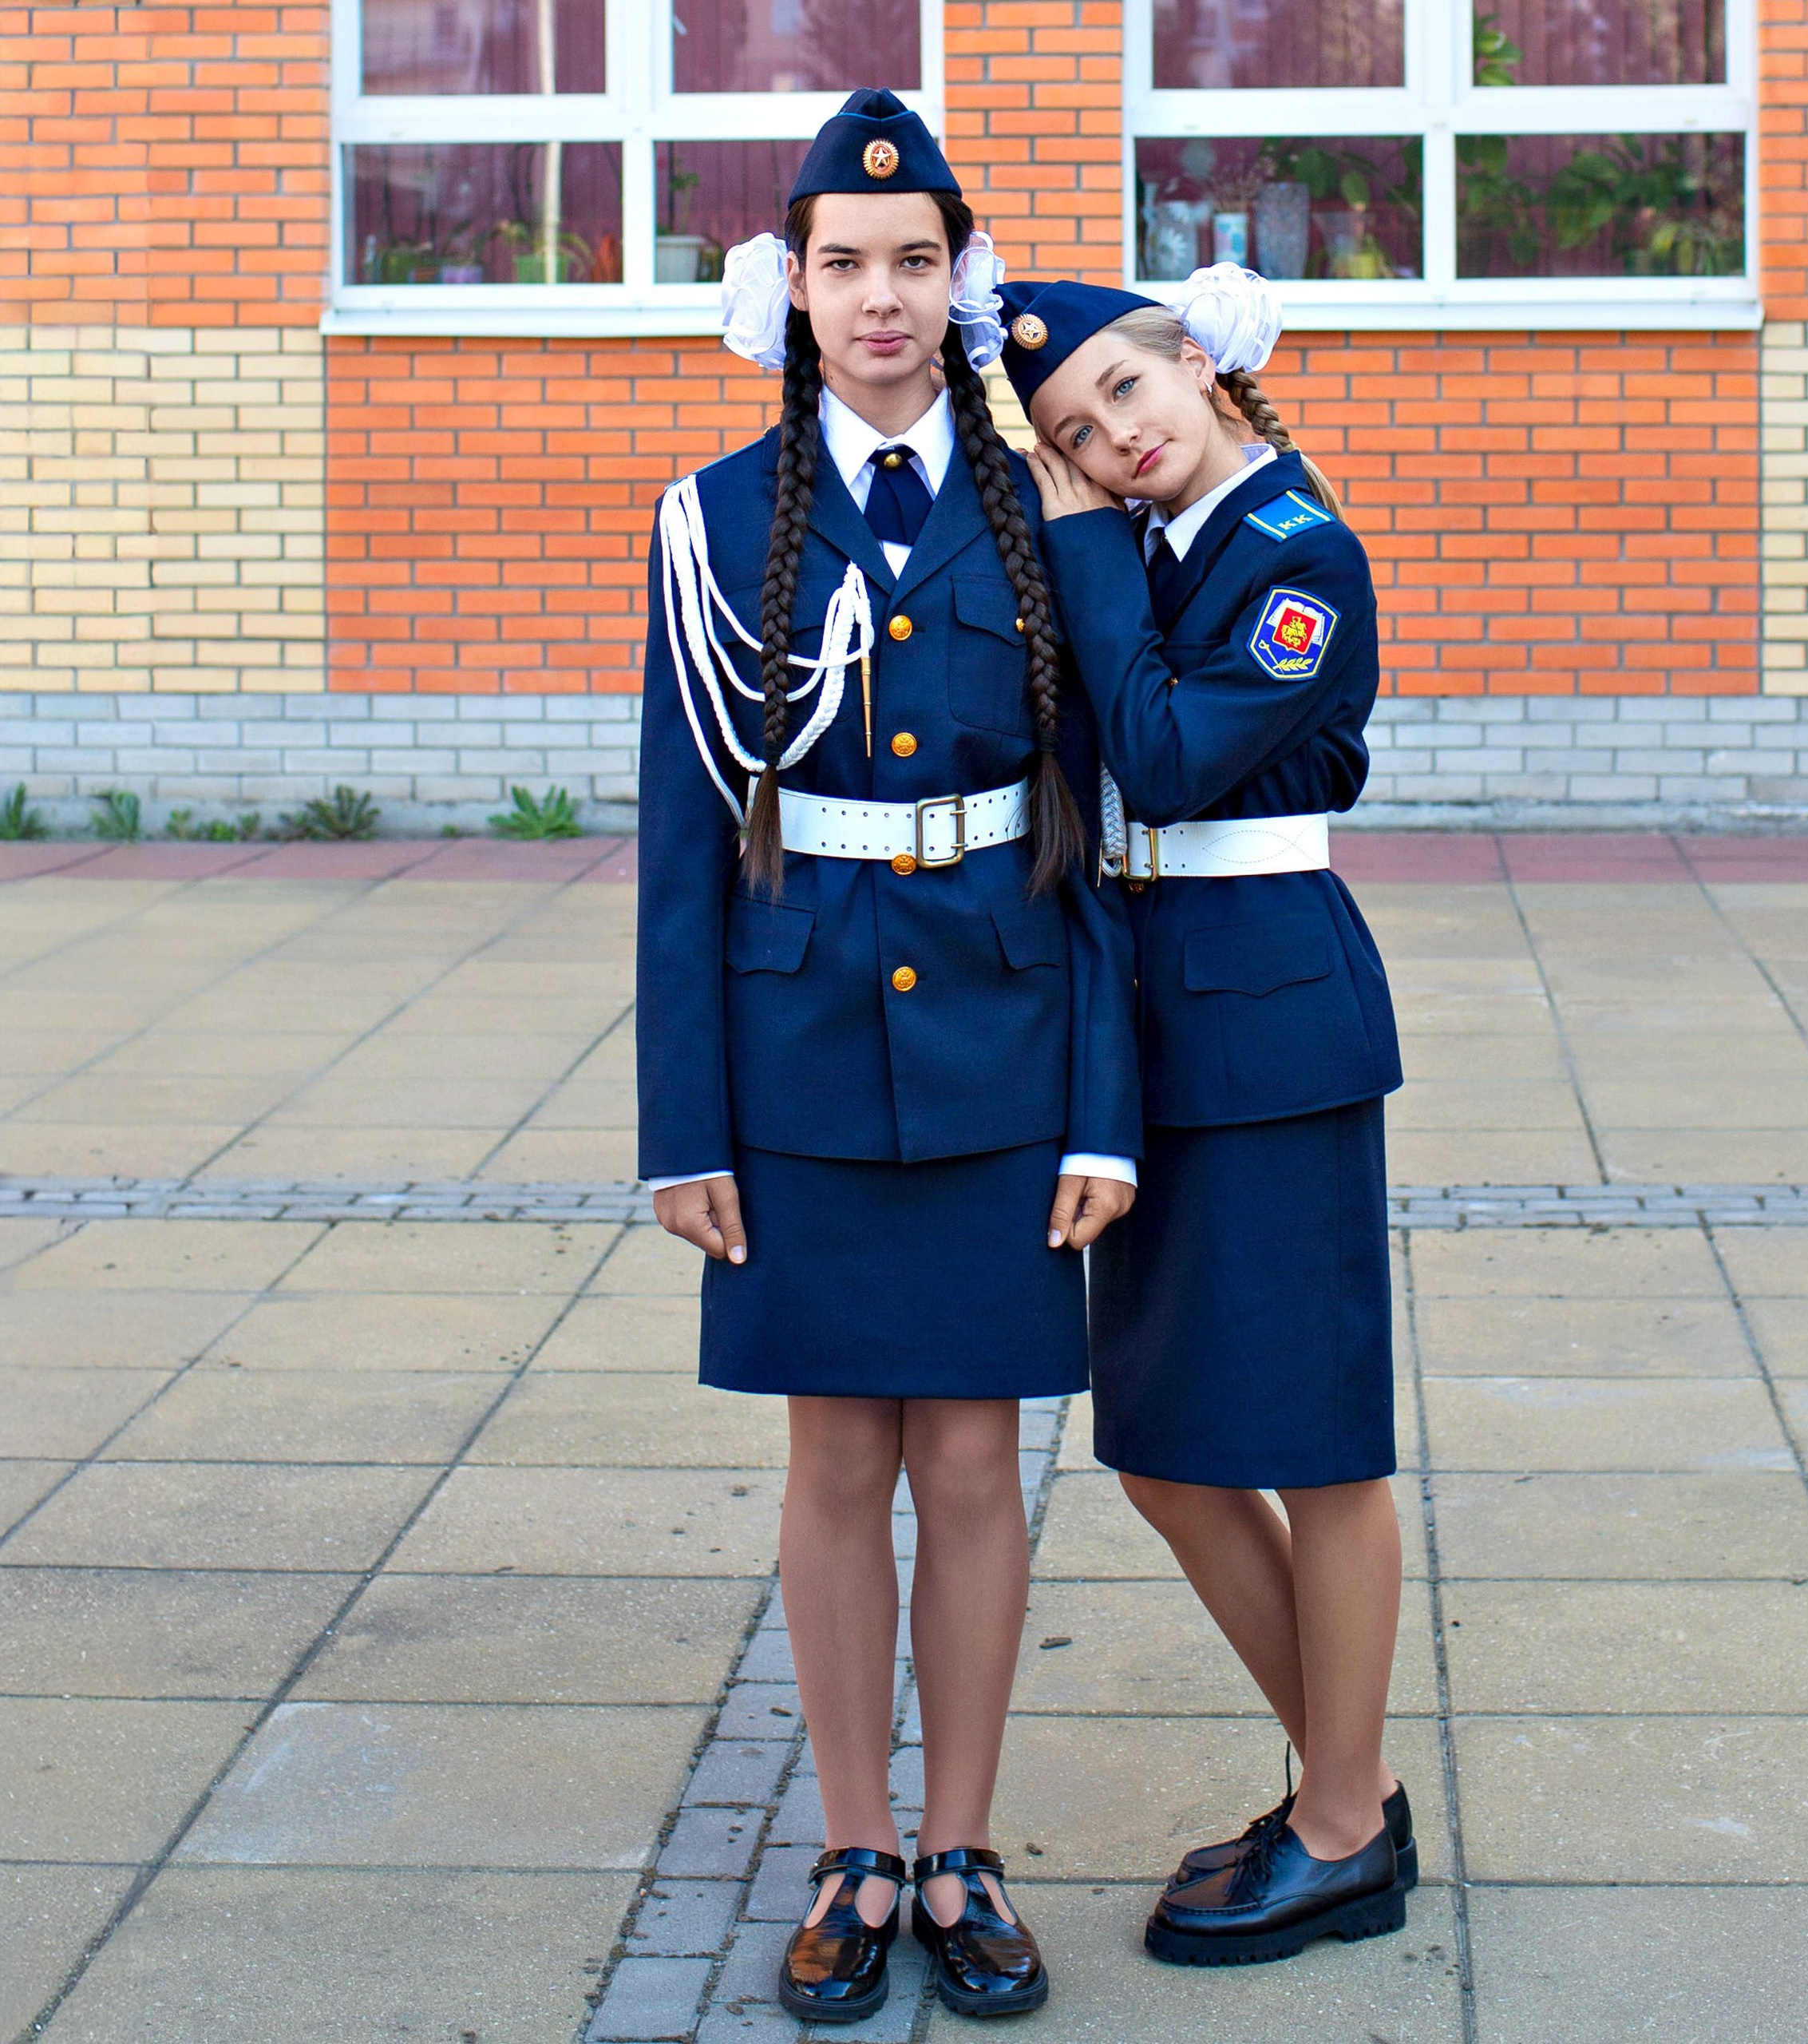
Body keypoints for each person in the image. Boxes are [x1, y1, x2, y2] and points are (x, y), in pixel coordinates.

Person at [635, 94, 1141, 2022]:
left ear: (959, 283)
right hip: (795, 1050)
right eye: (842, 264)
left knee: (982, 1463)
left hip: (1009, 1039)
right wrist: (684, 1119)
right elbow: (684, 846)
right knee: (838, 1452)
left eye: (914, 261)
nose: (879, 297)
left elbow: (1086, 833)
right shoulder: (706, 522)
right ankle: (854, 1845)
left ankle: (962, 1843)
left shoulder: (1047, 516)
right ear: (790, 288)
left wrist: (1106, 1104)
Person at [999, 267, 1411, 1967]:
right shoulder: (1166, 544)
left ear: (1195, 360)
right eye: (1072, 435)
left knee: (1315, 1444)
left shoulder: (1296, 555)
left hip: (1275, 1025)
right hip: (1154, 1025)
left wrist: (1077, 539)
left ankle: (1339, 1823)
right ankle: (1346, 1787)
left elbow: (1162, 759)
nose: (1111, 440)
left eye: (1120, 392)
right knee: (1163, 1451)